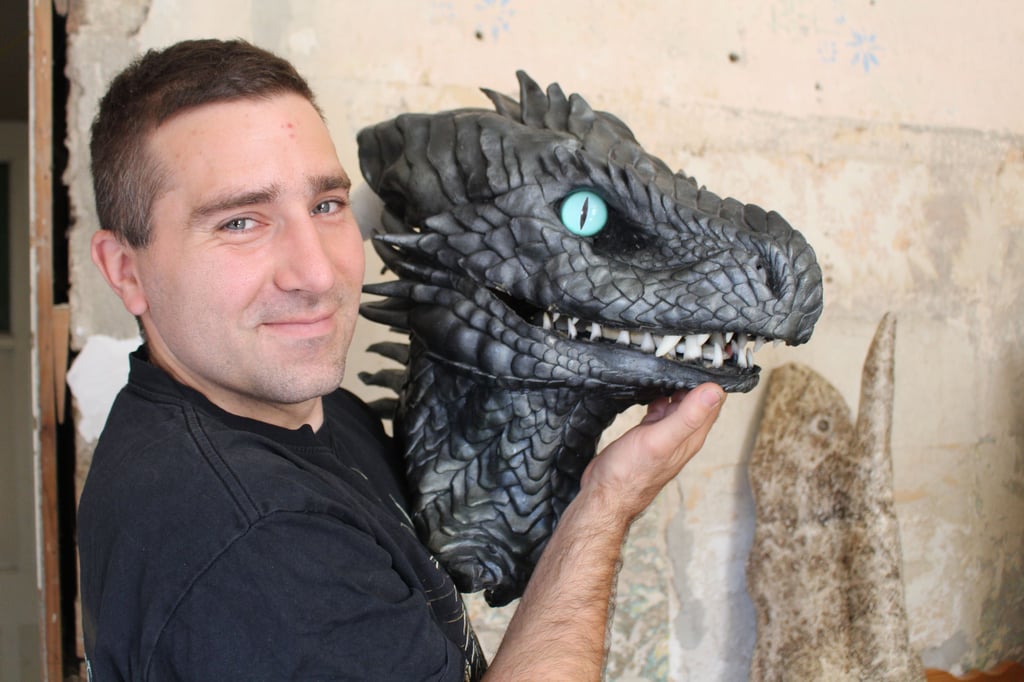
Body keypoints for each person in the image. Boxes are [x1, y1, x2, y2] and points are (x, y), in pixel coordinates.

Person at [78, 38, 726, 681]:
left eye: (325, 206)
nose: (317, 273)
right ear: (124, 270)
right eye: (240, 222)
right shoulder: (255, 542)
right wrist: (608, 502)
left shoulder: (309, 411)